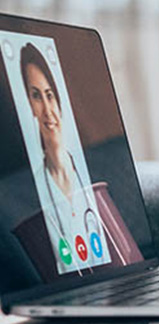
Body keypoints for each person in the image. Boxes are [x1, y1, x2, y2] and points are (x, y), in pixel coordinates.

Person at [20, 42, 106, 272]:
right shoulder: (31, 191)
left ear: (58, 99)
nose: (47, 110)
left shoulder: (93, 174)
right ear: (29, 104)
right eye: (36, 96)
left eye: (50, 95)